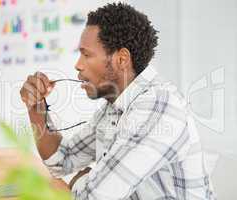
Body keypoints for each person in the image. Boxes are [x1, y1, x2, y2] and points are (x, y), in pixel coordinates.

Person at [20, 2, 215, 199]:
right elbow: (62, 160)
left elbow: (93, 197)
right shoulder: (115, 106)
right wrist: (35, 108)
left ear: (121, 59)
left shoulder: (157, 107)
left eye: (86, 55)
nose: (77, 65)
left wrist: (78, 180)